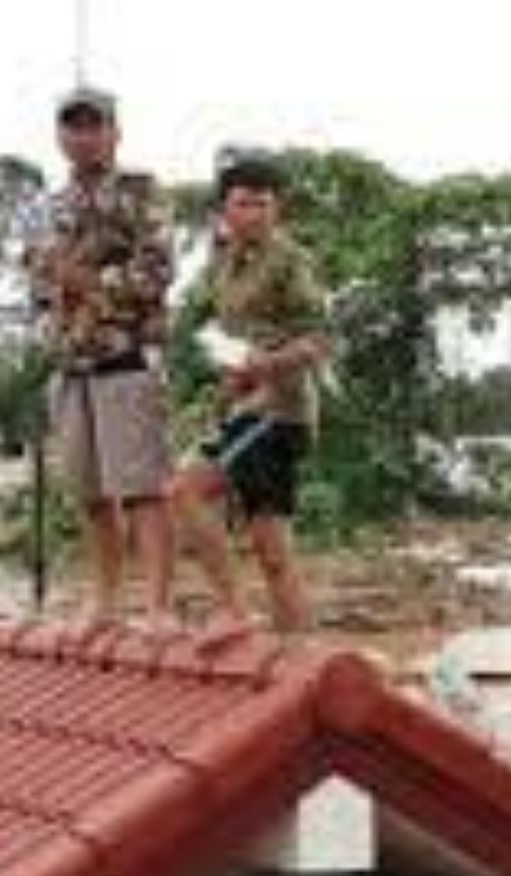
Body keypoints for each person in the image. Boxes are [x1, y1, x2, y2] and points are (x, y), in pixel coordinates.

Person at [27, 87, 176, 635]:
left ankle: (158, 607)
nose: (82, 136)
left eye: (94, 125)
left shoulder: (142, 193)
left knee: (141, 488)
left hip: (128, 356)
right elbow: (38, 283)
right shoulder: (47, 206)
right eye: (72, 126)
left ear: (115, 132)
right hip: (68, 363)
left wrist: (85, 281)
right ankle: (105, 603)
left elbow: (157, 271)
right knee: (90, 493)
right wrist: (53, 311)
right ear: (59, 136)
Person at [171, 156, 333, 639]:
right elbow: (228, 336)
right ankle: (297, 656)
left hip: (279, 413)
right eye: (243, 203)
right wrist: (233, 371)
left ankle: (235, 612)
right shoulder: (223, 265)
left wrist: (264, 365)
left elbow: (320, 341)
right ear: (224, 210)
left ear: (277, 208)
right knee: (272, 548)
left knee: (186, 490)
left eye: (264, 204)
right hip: (247, 408)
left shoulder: (291, 261)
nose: (254, 213)